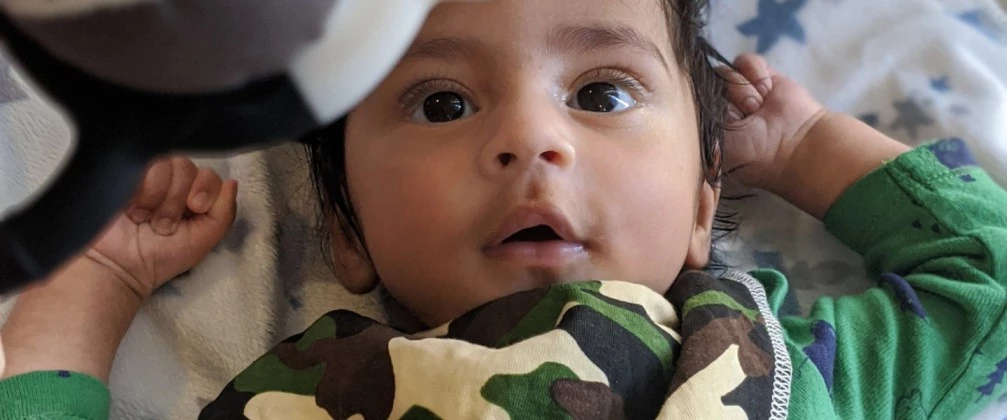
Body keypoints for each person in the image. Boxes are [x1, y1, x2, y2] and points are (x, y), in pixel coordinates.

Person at [3, 0, 1006, 418]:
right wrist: (94, 279)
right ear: (345, 230)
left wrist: (808, 149)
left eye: (602, 93)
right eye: (441, 103)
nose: (531, 140)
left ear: (705, 201)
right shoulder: (310, 390)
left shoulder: (798, 364)